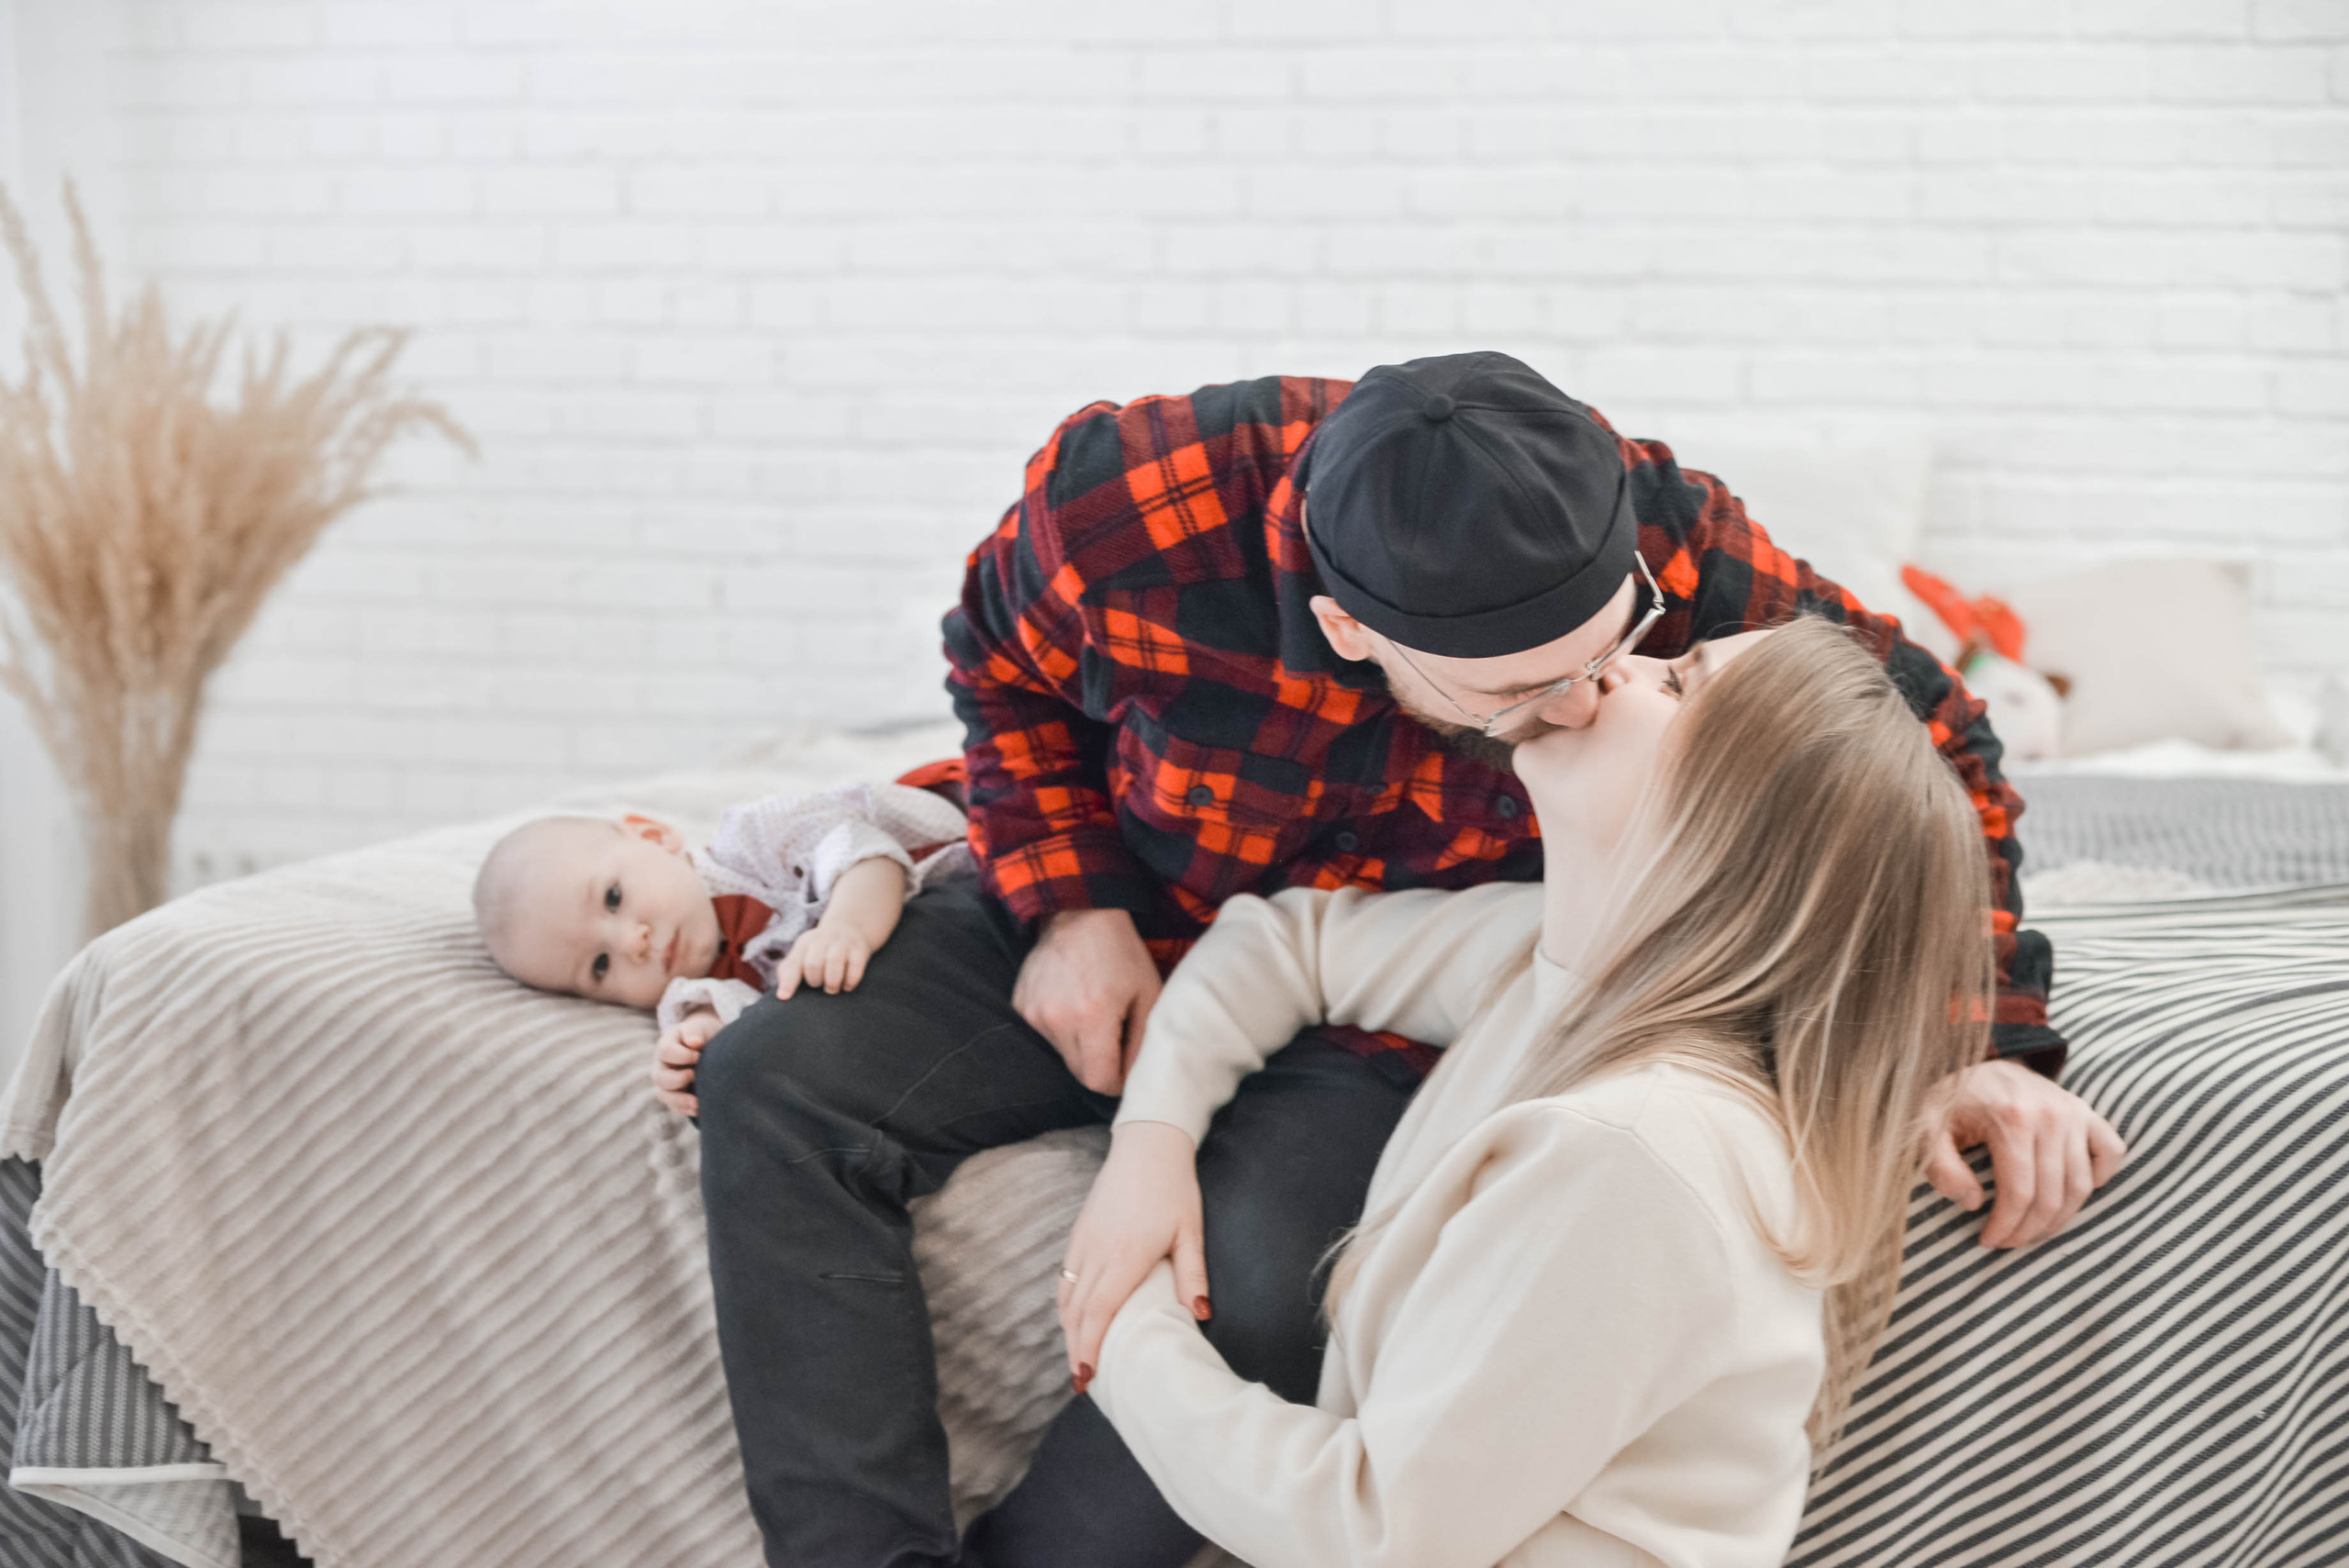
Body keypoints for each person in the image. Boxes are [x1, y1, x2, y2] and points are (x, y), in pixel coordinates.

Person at [686, 350, 2120, 1568]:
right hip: (1157, 893)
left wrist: (1972, 1035)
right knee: (775, 1080)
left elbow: (1919, 748)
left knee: (1254, 1284)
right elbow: (999, 664)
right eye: (1520, 690)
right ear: (1346, 629)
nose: (1587, 695)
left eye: (1622, 651)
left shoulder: (1668, 556)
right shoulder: (1122, 506)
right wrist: (1072, 904)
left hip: (1391, 997)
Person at [1058, 617, 2089, 1568]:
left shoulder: (1639, 1149)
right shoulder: (1555, 963)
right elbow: (1287, 940)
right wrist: (1150, 1142)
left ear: (1725, 825)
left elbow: (1369, 1527)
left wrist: (1123, 1312)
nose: (1619, 666)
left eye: (1677, 681)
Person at [471, 780, 970, 1114]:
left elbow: (870, 858)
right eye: (600, 966)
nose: (631, 943)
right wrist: (693, 1052)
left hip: (961, 844)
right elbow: (735, 1022)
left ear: (655, 835)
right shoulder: (694, 990)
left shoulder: (756, 837)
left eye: (614, 898)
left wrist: (847, 928)